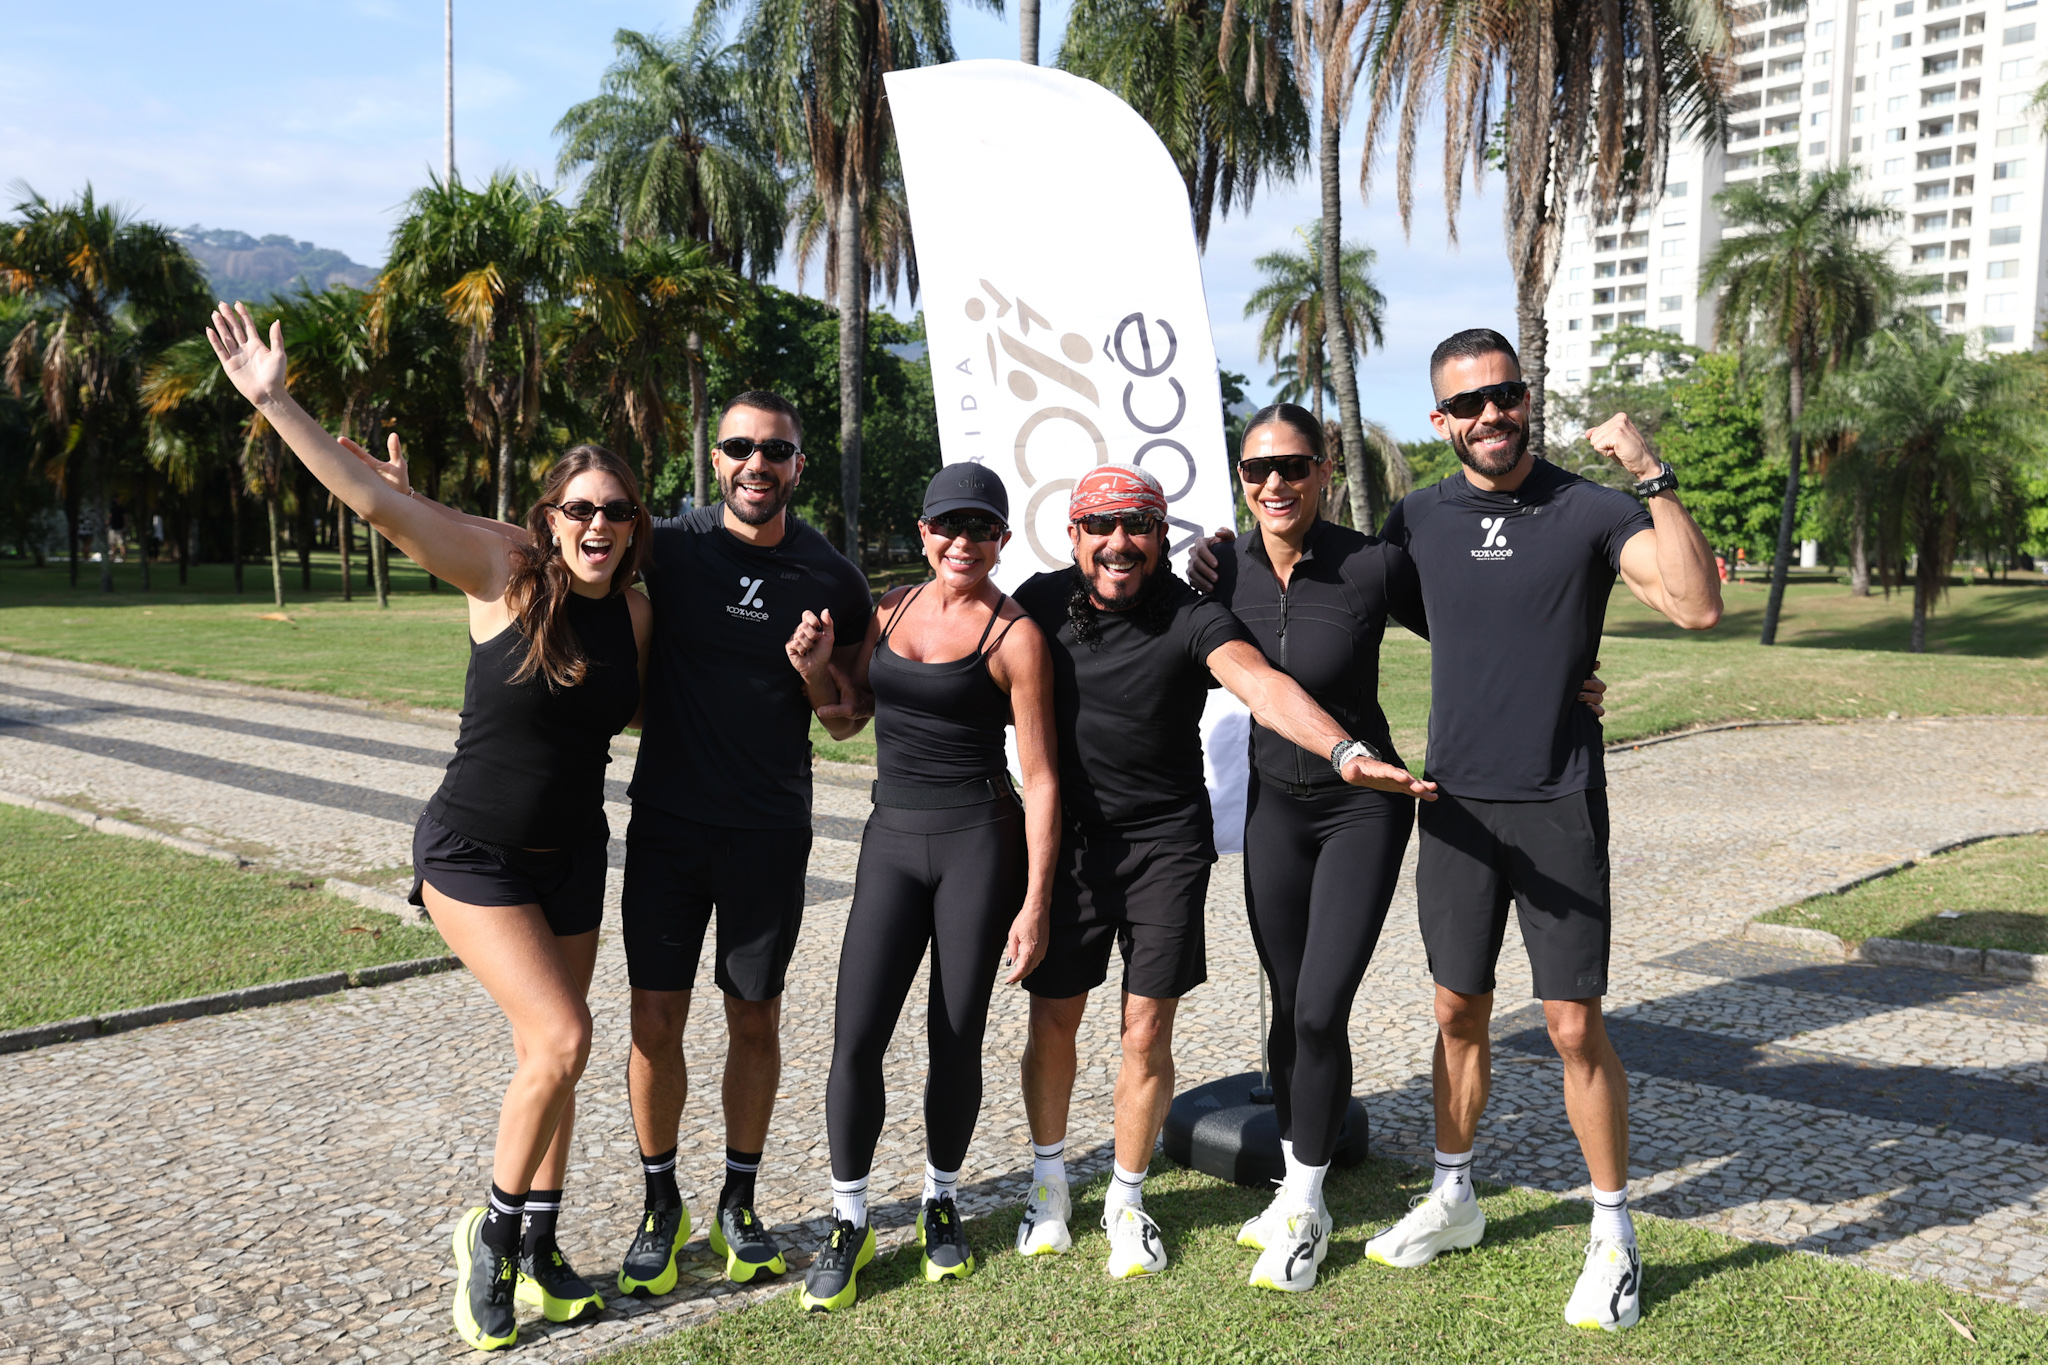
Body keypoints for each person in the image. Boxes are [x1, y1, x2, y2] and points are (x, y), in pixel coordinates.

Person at [1201, 329, 1720, 1331]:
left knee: (1571, 1025)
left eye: (1504, 396)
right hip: (1451, 802)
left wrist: (1651, 471)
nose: (1489, 416)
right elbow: (1352, 601)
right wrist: (1217, 564)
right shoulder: (1418, 520)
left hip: (1557, 796)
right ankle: (1452, 1195)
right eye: (1466, 405)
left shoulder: (1588, 506)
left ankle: (1612, 1233)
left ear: (1525, 399)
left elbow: (1696, 607)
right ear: (1439, 421)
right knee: (1455, 1013)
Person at [203, 302, 653, 1352]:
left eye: (618, 511)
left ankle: (541, 1249)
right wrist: (277, 404)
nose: (599, 524)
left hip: (573, 853)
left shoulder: (634, 610)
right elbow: (373, 503)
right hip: (471, 851)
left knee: (555, 1058)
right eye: (580, 507)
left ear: (635, 523)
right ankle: (490, 1243)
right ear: (549, 518)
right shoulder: (502, 571)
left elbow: (638, 706)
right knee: (562, 1036)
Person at [1197, 404, 1607, 1293]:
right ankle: (1296, 1179)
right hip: (1276, 806)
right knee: (1284, 1004)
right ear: (1241, 475)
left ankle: (1306, 1208)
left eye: (1296, 465)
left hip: (1364, 807)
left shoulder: (1373, 563)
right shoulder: (1219, 566)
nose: (1277, 482)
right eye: (1259, 467)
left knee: (1318, 1007)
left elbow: (1481, 619)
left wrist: (1565, 674)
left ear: (1325, 469)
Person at [1007, 464, 1432, 1281]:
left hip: (1168, 843)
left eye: (1138, 526)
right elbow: (960, 659)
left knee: (1145, 1028)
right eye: (1100, 527)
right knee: (1053, 1022)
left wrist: (1344, 749)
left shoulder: (1192, 612)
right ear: (1073, 536)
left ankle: (1126, 1201)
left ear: (1161, 534)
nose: (1119, 543)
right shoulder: (1039, 601)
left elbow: (1263, 685)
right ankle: (1050, 1184)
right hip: (1072, 847)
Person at [616, 391, 873, 1295]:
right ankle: (660, 1200)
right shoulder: (670, 546)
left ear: (799, 465)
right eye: (740, 447)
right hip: (668, 825)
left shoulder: (833, 578)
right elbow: (569, 542)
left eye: (776, 449)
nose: (757, 462)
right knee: (655, 1019)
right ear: (716, 458)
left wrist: (810, 672)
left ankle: (739, 1196)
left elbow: (846, 719)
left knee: (753, 1015)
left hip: (768, 830)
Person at [785, 465, 1059, 1312]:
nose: (963, 543)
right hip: (891, 839)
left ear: (1003, 539)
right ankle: (850, 1216)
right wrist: (811, 672)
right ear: (924, 529)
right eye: (949, 526)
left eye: (981, 528)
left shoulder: (1016, 637)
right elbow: (846, 717)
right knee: (856, 1032)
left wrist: (1035, 901)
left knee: (956, 1032)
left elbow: (1043, 778)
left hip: (979, 842)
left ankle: (942, 1199)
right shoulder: (891, 610)